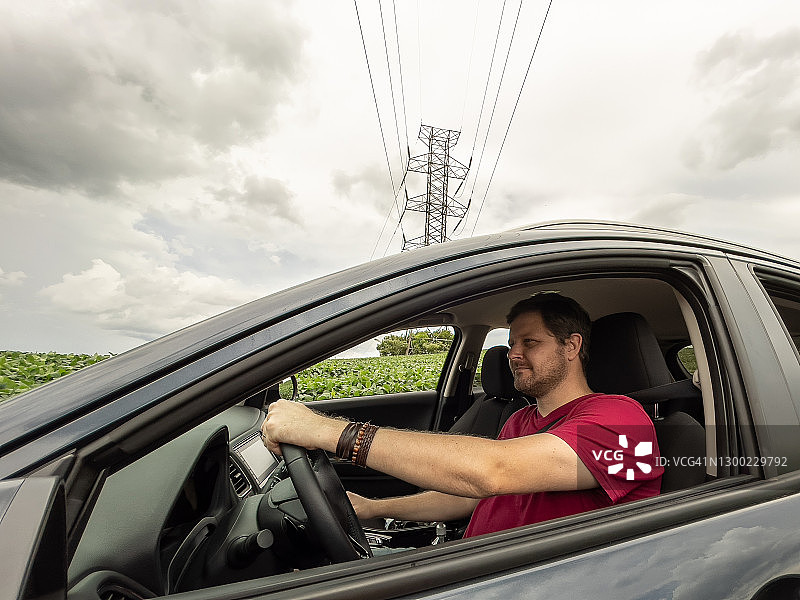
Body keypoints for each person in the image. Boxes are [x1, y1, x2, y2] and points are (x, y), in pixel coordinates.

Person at [262, 293, 663, 538]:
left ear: (571, 346)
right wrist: (375, 508)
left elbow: (492, 472)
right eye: (512, 343)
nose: (514, 354)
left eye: (530, 342)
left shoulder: (622, 421)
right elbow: (470, 496)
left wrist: (330, 432)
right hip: (474, 568)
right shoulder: (520, 421)